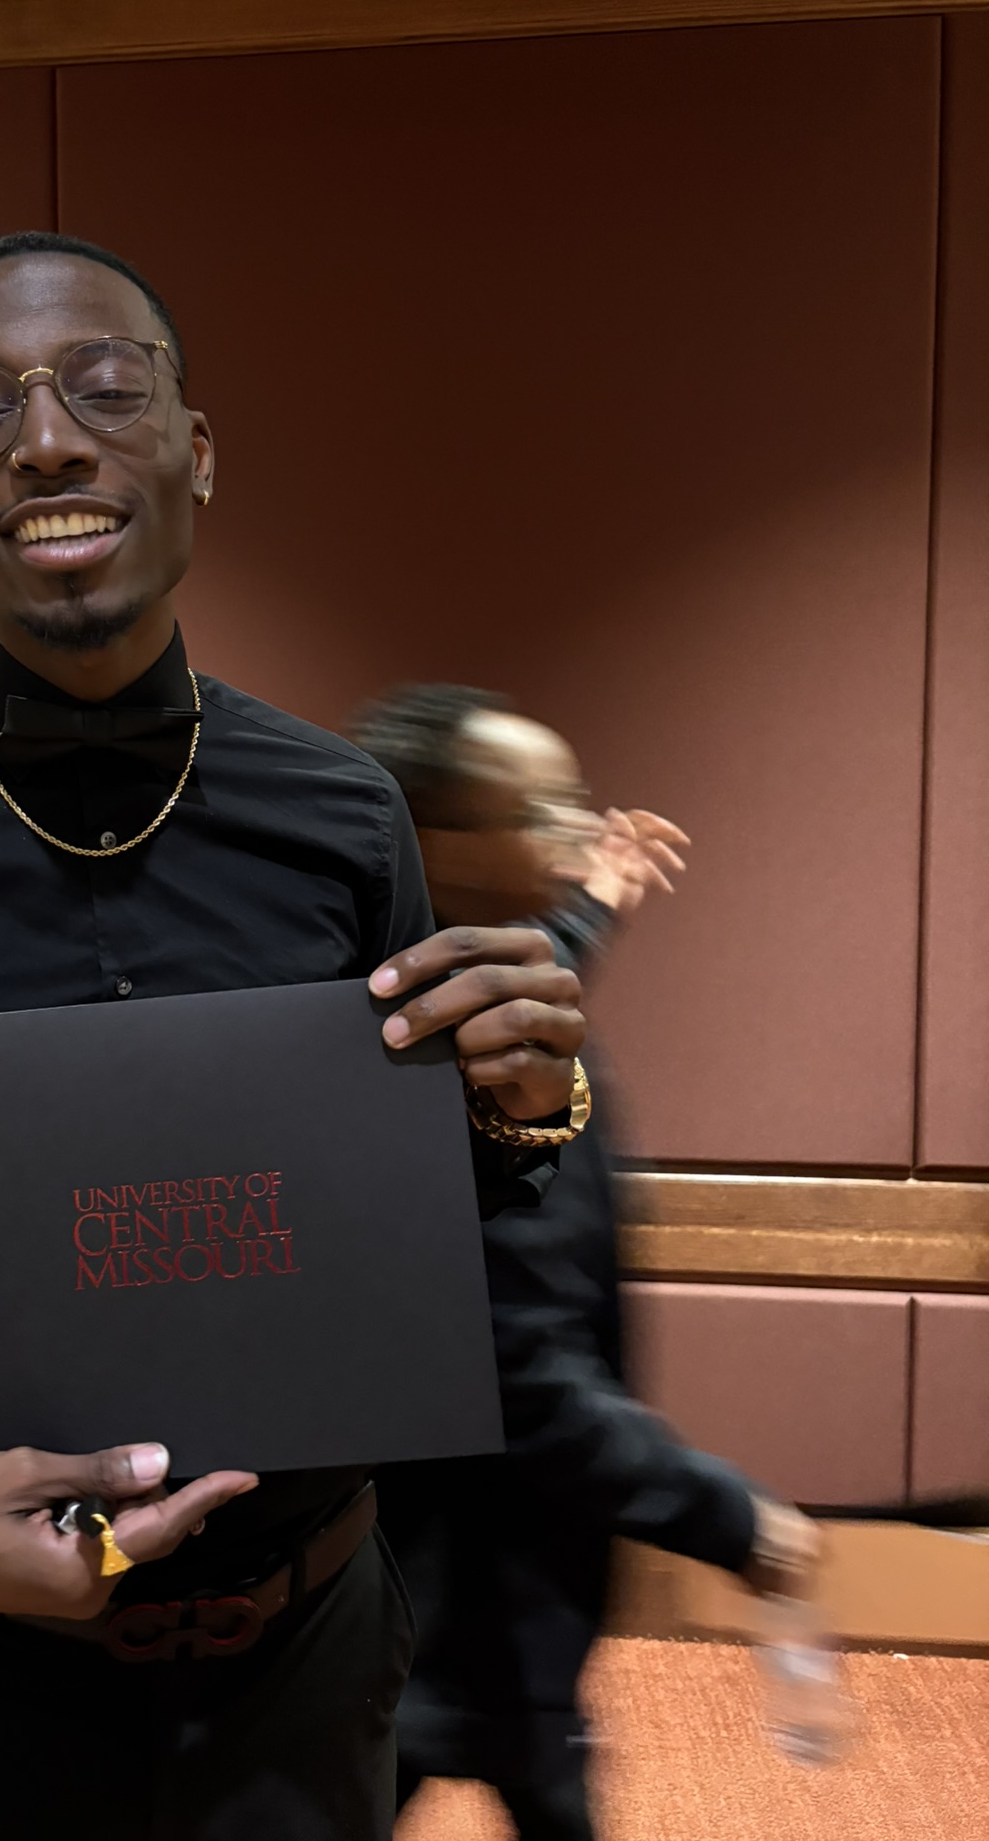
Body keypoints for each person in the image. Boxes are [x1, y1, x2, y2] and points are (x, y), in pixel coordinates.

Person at [0, 236, 594, 1841]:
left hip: (304, 1675)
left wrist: (517, 1106)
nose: (46, 440)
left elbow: (397, 1214)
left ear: (196, 453)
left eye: (104, 387)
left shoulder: (345, 816)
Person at [349, 684, 819, 1841]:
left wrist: (596, 899)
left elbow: (528, 967)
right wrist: (733, 1518)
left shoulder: (436, 986)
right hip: (454, 1583)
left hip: (455, 1581)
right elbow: (522, 1371)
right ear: (439, 844)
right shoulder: (463, 1079)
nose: (577, 823)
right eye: (540, 808)